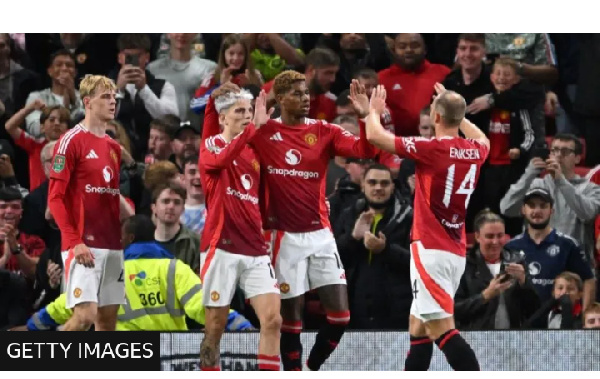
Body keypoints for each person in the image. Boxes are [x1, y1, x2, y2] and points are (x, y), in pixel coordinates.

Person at [249, 70, 376, 371]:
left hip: (320, 234)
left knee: (341, 316)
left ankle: (312, 367)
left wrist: (364, 117)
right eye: (296, 93)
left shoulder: (324, 131)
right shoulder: (264, 132)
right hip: (282, 236)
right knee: (291, 320)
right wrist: (252, 127)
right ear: (279, 99)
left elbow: (365, 151)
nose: (305, 98)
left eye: (306, 92)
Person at [365, 82, 489, 371]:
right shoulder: (475, 150)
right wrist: (453, 110)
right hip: (454, 250)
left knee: (441, 329)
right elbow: (483, 138)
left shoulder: (431, 148)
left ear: (435, 118)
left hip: (430, 248)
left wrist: (374, 111)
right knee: (418, 329)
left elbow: (375, 135)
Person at [24, 214, 253, 332]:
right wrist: (244, 327)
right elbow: (204, 306)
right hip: (168, 360)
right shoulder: (174, 269)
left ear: (129, 238)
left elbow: (69, 304)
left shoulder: (107, 271)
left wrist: (32, 326)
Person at [198, 83, 281, 371]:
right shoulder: (211, 145)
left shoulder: (254, 153)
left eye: (250, 110)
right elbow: (222, 159)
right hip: (221, 245)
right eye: (240, 111)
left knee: (272, 319)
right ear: (223, 118)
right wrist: (251, 128)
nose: (247, 115)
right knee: (215, 325)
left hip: (255, 248)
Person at [48, 74, 134, 332]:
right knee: (85, 316)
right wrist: (74, 242)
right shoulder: (70, 140)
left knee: (107, 323)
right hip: (83, 243)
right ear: (87, 102)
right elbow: (55, 198)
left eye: (114, 97)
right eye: (105, 97)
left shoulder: (113, 147)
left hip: (112, 245)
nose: (112, 102)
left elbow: (108, 194)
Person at [334, 164, 413, 329]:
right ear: (363, 185)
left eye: (384, 183)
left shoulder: (409, 217)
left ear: (393, 187)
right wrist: (353, 238)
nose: (378, 188)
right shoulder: (348, 215)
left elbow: (417, 263)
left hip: (398, 312)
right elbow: (333, 261)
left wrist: (386, 250)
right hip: (355, 309)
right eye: (372, 182)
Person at [503, 187, 595, 309]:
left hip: (558, 320)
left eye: (543, 206)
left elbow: (588, 280)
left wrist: (584, 317)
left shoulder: (568, 245)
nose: (537, 210)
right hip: (522, 321)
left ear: (552, 210)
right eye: (531, 206)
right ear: (523, 210)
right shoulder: (511, 246)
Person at [454, 210, 540, 330]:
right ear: (477, 236)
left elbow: (534, 309)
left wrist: (524, 282)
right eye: (489, 236)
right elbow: (454, 310)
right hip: (475, 339)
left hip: (513, 339)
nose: (495, 242)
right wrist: (485, 296)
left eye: (500, 236)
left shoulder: (517, 261)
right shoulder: (463, 265)